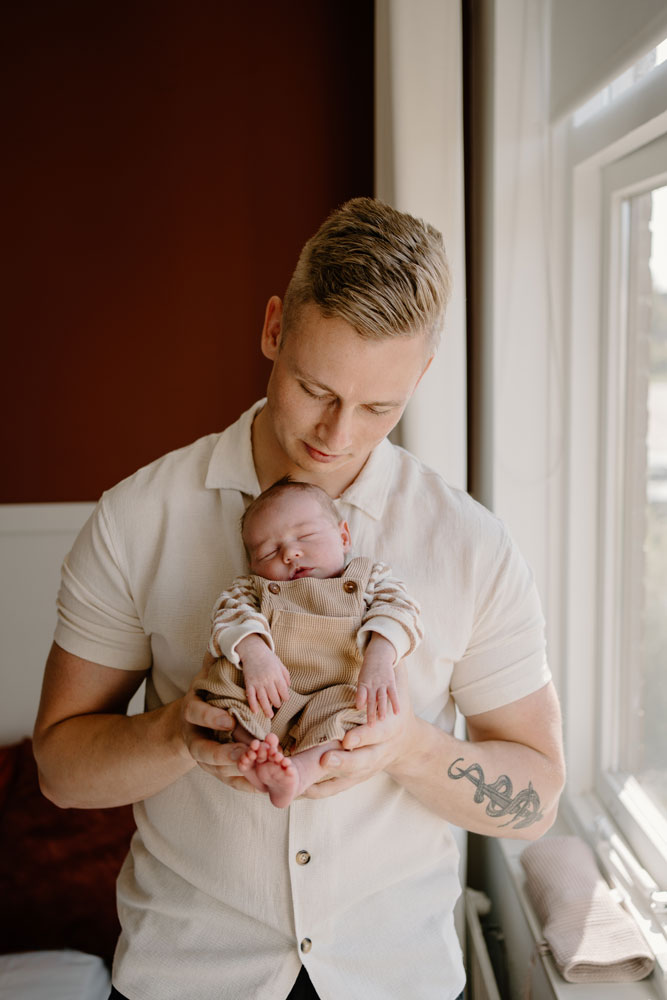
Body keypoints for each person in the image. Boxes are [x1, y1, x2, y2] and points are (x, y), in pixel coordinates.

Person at [33, 196, 565, 1000]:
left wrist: (409, 750)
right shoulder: (137, 519)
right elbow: (62, 772)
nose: (337, 433)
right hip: (184, 979)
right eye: (316, 388)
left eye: (379, 407)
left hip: (400, 981)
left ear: (420, 375)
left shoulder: (472, 546)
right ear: (275, 328)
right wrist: (179, 735)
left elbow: (534, 799)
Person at [199, 477, 423, 808]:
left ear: (344, 536)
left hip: (335, 692)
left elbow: (401, 610)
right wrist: (255, 654)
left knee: (360, 712)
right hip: (268, 693)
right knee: (221, 684)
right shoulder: (250, 588)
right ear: (253, 565)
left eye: (305, 536)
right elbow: (228, 617)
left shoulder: (369, 578)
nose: (290, 553)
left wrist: (379, 655)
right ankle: (254, 750)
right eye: (269, 551)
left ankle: (304, 768)